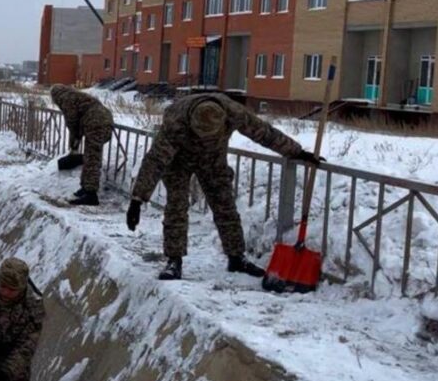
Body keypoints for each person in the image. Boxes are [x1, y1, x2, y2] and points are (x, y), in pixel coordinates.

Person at [128, 94, 321, 280]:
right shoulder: (175, 122)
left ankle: (236, 258)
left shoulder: (234, 112)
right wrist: (138, 199)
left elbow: (264, 133)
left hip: (213, 161)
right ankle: (174, 260)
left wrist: (297, 152)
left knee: (225, 206)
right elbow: (155, 160)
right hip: (178, 161)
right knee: (176, 207)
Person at [49, 85, 115, 207]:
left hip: (96, 123)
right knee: (90, 157)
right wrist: (76, 139)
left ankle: (91, 195)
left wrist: (74, 142)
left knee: (92, 159)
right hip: (100, 120)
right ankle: (85, 188)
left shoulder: (66, 99)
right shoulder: (77, 96)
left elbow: (72, 121)